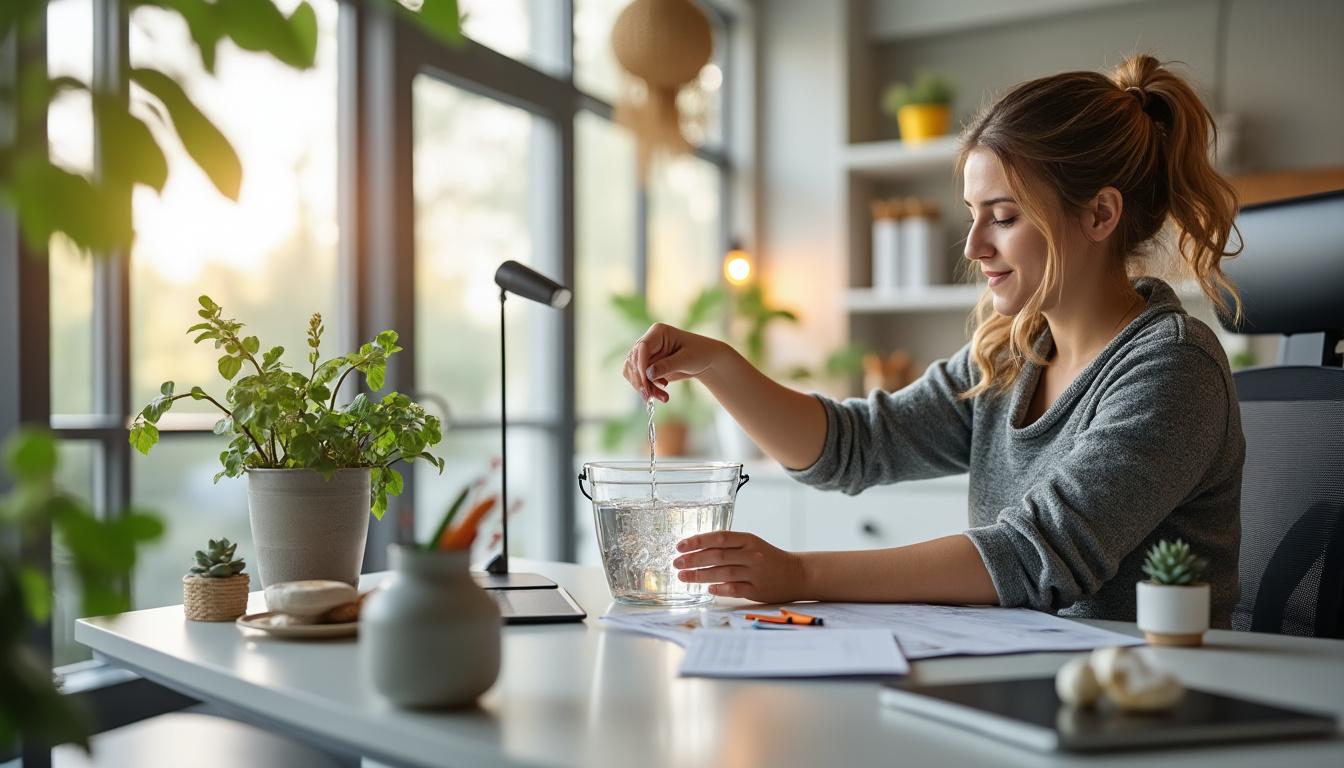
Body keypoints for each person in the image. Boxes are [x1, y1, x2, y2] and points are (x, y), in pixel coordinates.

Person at [620, 54, 1246, 625]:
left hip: (1153, 700)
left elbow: (1033, 555)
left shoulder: (1172, 367)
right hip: (1039, 677)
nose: (974, 247)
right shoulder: (1008, 357)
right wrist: (717, 364)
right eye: (973, 215)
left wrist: (799, 573)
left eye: (1003, 217)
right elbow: (854, 445)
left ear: (1100, 215)